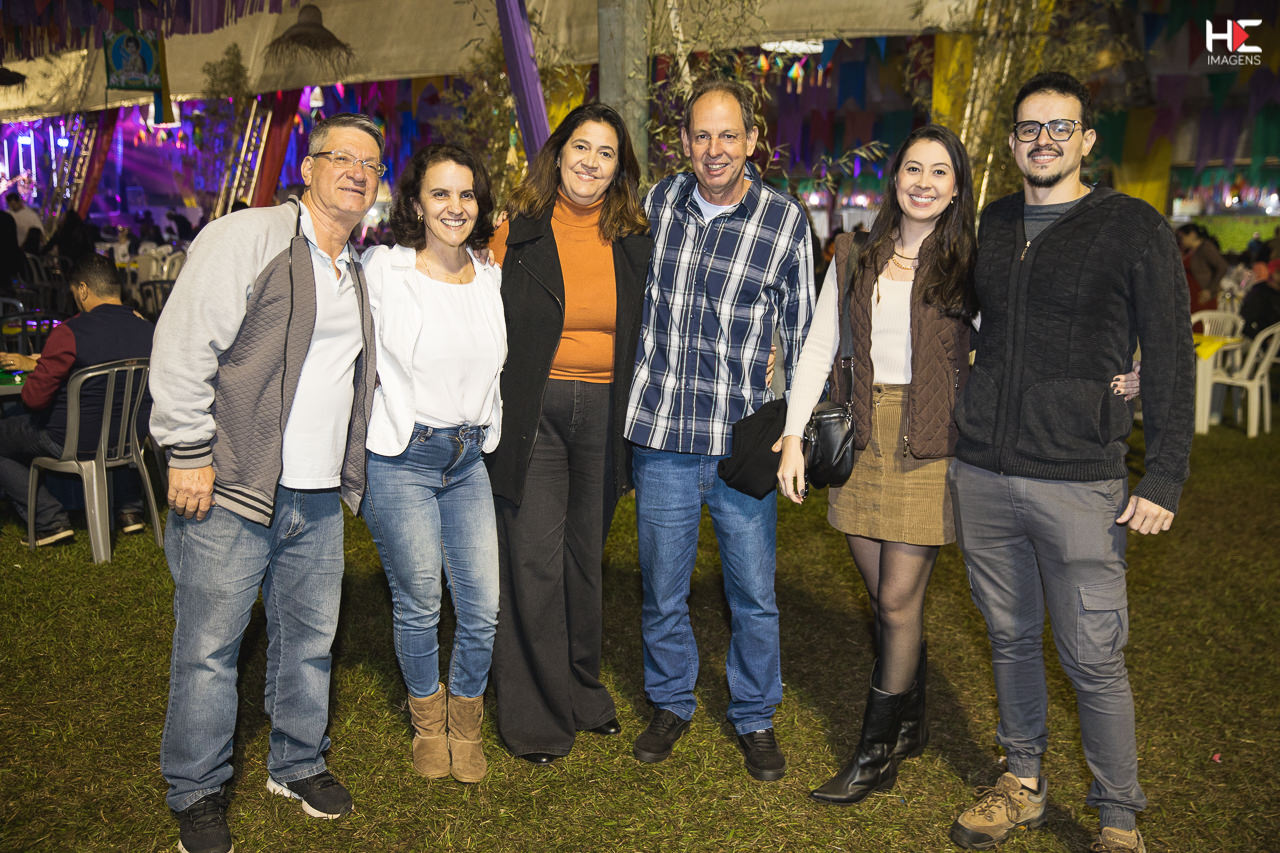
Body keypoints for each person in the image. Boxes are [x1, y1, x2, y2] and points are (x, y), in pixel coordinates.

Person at [946, 72, 1193, 853]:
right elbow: (957, 319)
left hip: (1080, 481)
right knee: (1010, 637)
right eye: (1030, 127)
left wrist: (1165, 474)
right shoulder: (992, 222)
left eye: (1061, 127)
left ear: (1086, 139)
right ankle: (1022, 781)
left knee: (1093, 657)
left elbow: (1172, 352)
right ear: (1012, 141)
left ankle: (1118, 817)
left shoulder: (1132, 227)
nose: (1044, 139)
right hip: (983, 472)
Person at [149, 113, 382, 853]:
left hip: (317, 493)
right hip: (233, 485)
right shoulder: (248, 237)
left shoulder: (355, 269)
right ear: (307, 168)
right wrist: (188, 449)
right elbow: (184, 344)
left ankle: (298, 761)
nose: (356, 171)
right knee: (209, 649)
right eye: (340, 156)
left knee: (309, 639)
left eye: (370, 164)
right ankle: (197, 789)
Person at [776, 124, 977, 804]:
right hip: (862, 435)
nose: (924, 182)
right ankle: (912, 716)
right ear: (895, 178)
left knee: (895, 600)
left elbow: (1007, 346)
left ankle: (874, 754)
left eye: (939, 171)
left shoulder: (970, 266)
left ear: (956, 187)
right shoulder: (855, 254)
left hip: (931, 442)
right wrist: (794, 436)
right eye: (913, 168)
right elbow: (818, 347)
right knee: (884, 597)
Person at [624, 77, 814, 781]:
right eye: (701, 135)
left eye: (728, 135)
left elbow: (803, 336)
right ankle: (670, 701)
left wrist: (794, 431)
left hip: (742, 445)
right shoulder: (655, 205)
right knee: (662, 589)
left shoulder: (784, 222)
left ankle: (756, 713)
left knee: (753, 595)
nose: (714, 149)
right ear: (683, 141)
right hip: (663, 436)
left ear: (752, 141)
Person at [485, 104, 651, 764]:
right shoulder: (517, 235)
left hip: (607, 415)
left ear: (619, 169)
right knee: (532, 558)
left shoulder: (635, 239)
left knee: (585, 557)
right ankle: (534, 713)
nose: (591, 161)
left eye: (606, 152)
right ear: (558, 154)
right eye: (581, 147)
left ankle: (582, 689)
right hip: (535, 414)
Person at [359, 143, 504, 784]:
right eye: (440, 193)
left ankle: (465, 722)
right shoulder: (384, 269)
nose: (455, 206)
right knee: (419, 601)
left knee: (482, 606)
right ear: (417, 204)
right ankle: (427, 723)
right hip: (403, 460)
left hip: (468, 460)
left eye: (466, 194)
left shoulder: (488, 273)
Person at [0, 253, 153, 544]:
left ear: (82, 290)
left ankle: (49, 519)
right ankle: (128, 509)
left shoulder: (69, 332)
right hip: (130, 440)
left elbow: (33, 399)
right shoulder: (150, 331)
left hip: (73, 442)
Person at [1176, 223, 1227, 310]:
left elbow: (1222, 266)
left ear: (1192, 235)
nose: (1180, 241)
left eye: (1181, 237)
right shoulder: (1189, 250)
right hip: (1190, 294)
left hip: (1201, 295)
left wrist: (1210, 290)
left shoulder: (1206, 247)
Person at [1241, 258, 1280, 339]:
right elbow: (1245, 323)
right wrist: (1264, 340)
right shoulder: (1260, 292)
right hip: (1265, 340)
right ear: (1273, 273)